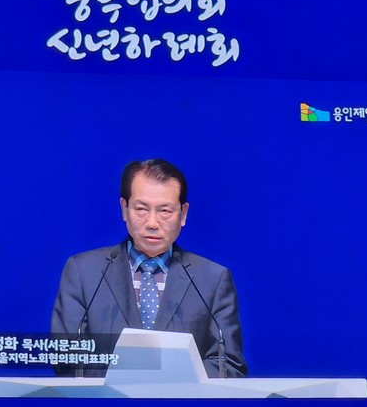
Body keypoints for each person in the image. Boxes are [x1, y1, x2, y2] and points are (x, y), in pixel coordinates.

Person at [51, 159, 247, 378]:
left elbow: (228, 365)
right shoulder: (83, 272)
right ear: (124, 209)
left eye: (165, 211)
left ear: (183, 214)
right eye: (142, 209)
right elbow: (66, 360)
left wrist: (162, 380)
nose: (152, 223)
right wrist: (131, 379)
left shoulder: (212, 279)